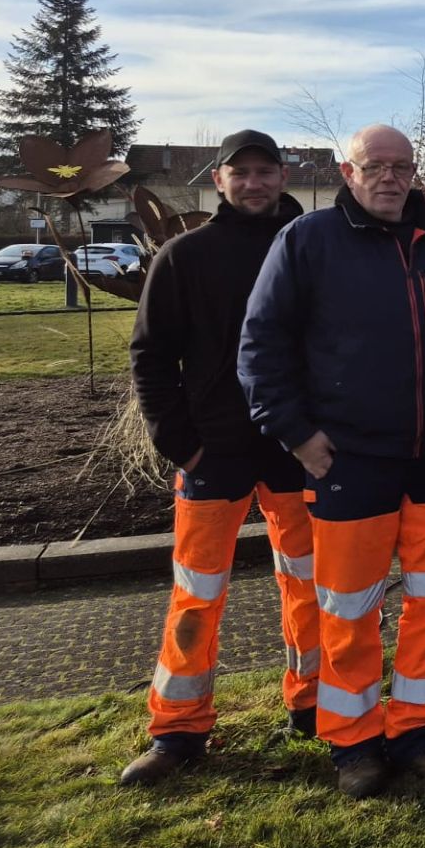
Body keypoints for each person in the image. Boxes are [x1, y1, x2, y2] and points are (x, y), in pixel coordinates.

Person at [240, 124, 425, 798]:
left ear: (414, 171)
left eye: (400, 166)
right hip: (350, 461)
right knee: (348, 610)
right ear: (348, 171)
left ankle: (418, 730)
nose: (389, 178)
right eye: (374, 166)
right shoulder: (307, 241)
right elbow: (262, 346)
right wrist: (297, 436)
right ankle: (354, 741)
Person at [121, 130, 314, 785]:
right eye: (241, 172)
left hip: (298, 449)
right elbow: (151, 355)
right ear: (220, 180)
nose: (254, 182)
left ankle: (313, 702)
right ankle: (178, 729)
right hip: (213, 451)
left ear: (282, 175)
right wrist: (181, 443)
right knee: (197, 593)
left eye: (265, 171)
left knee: (311, 584)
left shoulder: (312, 248)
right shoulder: (186, 255)